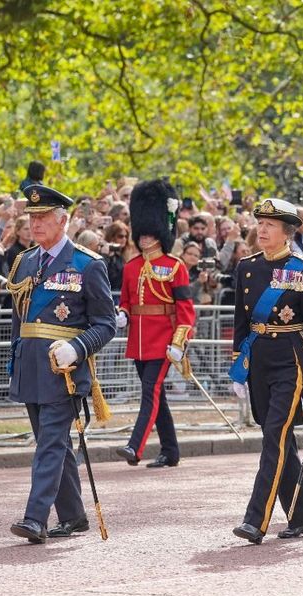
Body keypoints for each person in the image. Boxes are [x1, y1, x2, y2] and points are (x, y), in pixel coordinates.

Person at [5, 184, 115, 543]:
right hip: (31, 366)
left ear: (63, 220)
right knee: (54, 443)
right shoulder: (24, 262)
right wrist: (14, 360)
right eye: (32, 218)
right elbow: (17, 319)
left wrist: (78, 346)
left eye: (43, 217)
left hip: (63, 369)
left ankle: (35, 517)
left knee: (50, 443)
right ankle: (73, 514)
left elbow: (106, 323)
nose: (35, 224)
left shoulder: (86, 264)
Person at [228, 199, 303, 543]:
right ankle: (302, 516)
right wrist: (238, 369)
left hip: (291, 361)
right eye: (260, 223)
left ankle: (255, 520)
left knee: (275, 435)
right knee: (279, 440)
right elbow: (241, 323)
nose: (262, 230)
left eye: (270, 225)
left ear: (287, 232)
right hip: (258, 359)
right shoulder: (246, 267)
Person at [114, 178, 195, 468]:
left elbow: (185, 308)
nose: (145, 238)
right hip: (137, 341)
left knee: (150, 392)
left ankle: (135, 447)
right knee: (156, 394)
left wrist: (179, 342)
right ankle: (170, 451)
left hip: (163, 341)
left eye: (151, 233)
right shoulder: (131, 266)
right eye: (142, 234)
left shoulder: (175, 266)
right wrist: (122, 313)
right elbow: (125, 300)